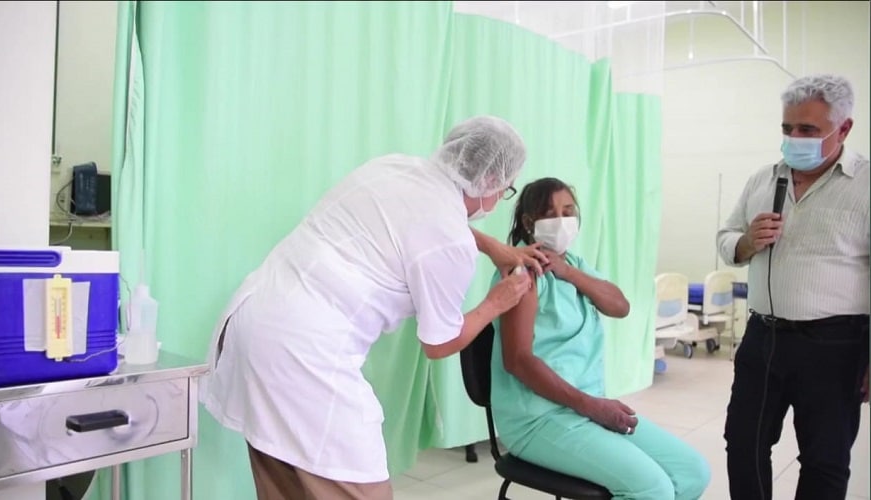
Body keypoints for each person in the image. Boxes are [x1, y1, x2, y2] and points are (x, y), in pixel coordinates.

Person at [199, 115, 548, 500]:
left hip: (254, 319)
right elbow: (439, 343)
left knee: (284, 485)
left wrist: (493, 247)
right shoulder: (450, 241)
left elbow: (421, 220)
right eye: (505, 188)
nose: (500, 198)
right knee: (365, 489)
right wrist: (497, 302)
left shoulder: (395, 167)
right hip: (305, 353)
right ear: (489, 180)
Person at [489, 177, 711, 500]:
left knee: (693, 472)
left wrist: (568, 273)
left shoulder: (573, 264)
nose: (561, 220)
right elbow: (517, 360)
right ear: (528, 222)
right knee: (653, 489)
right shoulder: (522, 273)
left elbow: (620, 306)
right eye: (550, 213)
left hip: (583, 409)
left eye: (568, 211)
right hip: (537, 418)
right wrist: (592, 407)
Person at [717, 74, 870, 500]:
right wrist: (746, 242)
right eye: (787, 128)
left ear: (844, 129)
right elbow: (726, 237)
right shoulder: (762, 180)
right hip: (762, 337)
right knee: (743, 445)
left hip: (835, 346)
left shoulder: (865, 184)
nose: (794, 138)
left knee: (825, 459)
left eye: (808, 129)